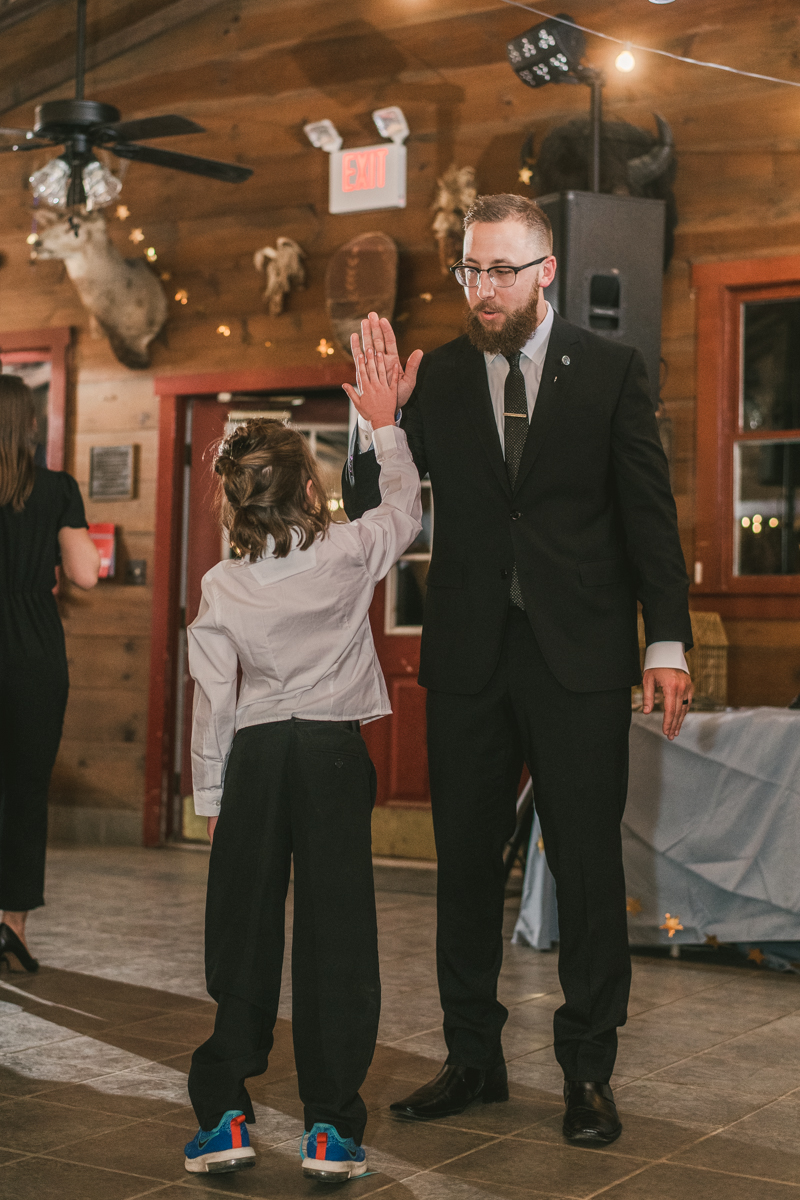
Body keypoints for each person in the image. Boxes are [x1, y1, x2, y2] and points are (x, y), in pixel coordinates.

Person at [342, 193, 693, 1146]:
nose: (483, 288)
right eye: (470, 269)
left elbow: (648, 520)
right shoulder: (442, 378)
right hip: (466, 661)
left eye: (501, 270)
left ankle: (588, 1073)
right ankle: (473, 1060)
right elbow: (376, 511)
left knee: (584, 869)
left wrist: (667, 640)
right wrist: (374, 424)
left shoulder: (612, 371)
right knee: (462, 869)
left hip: (578, 660)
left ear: (545, 271)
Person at [182, 349, 421, 1177]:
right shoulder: (349, 551)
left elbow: (213, 699)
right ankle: (329, 1127)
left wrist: (212, 798)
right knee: (337, 933)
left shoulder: (221, 586)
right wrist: (386, 426)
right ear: (309, 489)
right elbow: (406, 511)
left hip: (254, 757)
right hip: (329, 752)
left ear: (236, 496)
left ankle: (225, 1117)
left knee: (241, 931)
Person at [0, 374, 100, 973]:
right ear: (31, 424)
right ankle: (13, 926)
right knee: (25, 790)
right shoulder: (58, 488)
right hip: (35, 649)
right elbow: (85, 574)